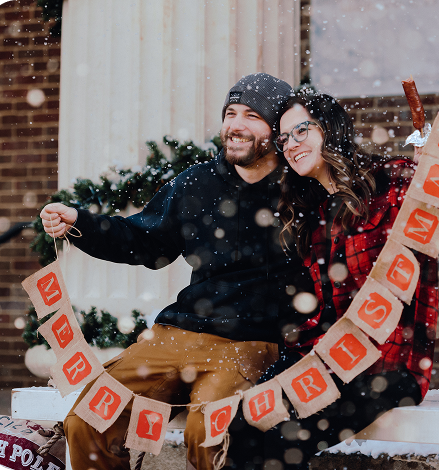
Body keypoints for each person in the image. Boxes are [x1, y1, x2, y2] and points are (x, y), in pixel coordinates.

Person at [39, 73, 316, 470]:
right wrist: (78, 221)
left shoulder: (301, 189)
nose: (235, 125)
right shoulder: (196, 184)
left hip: (252, 341)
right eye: (231, 113)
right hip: (176, 335)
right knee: (89, 419)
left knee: (210, 434)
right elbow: (145, 241)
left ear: (278, 130)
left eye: (252, 116)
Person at [225, 91, 439, 469]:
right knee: (243, 423)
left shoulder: (391, 181)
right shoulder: (311, 216)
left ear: (329, 129)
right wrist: (283, 366)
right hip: (326, 359)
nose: (291, 144)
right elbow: (322, 309)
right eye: (283, 139)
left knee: (283, 443)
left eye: (301, 130)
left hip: (387, 368)